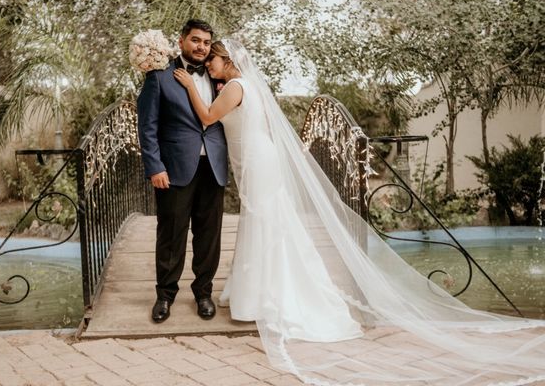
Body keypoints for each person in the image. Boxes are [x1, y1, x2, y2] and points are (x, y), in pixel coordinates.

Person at [174, 39, 545, 385]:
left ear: (229, 61)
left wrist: (189, 87)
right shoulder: (249, 88)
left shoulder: (236, 87)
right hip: (255, 158)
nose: (209, 65)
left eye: (213, 60)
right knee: (265, 222)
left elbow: (207, 118)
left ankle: (265, 295)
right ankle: (254, 291)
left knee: (264, 223)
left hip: (256, 160)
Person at [136, 19, 228, 323]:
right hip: (173, 168)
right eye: (195, 40)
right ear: (181, 41)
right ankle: (165, 295)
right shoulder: (159, 77)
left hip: (213, 165)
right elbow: (147, 126)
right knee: (171, 234)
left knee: (209, 235)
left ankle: (204, 293)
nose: (201, 47)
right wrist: (155, 166)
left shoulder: (220, 78)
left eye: (205, 42)